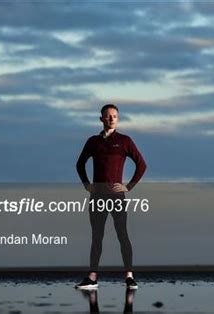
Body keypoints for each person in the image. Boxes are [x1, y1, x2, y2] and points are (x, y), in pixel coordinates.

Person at [75, 104, 147, 290]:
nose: (112, 118)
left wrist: (128, 187)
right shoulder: (93, 141)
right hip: (97, 197)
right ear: (101, 119)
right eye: (108, 116)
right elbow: (79, 164)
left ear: (118, 118)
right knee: (96, 237)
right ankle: (92, 278)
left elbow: (141, 165)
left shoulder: (124, 141)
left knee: (122, 234)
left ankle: (129, 277)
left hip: (117, 197)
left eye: (115, 116)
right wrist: (87, 185)